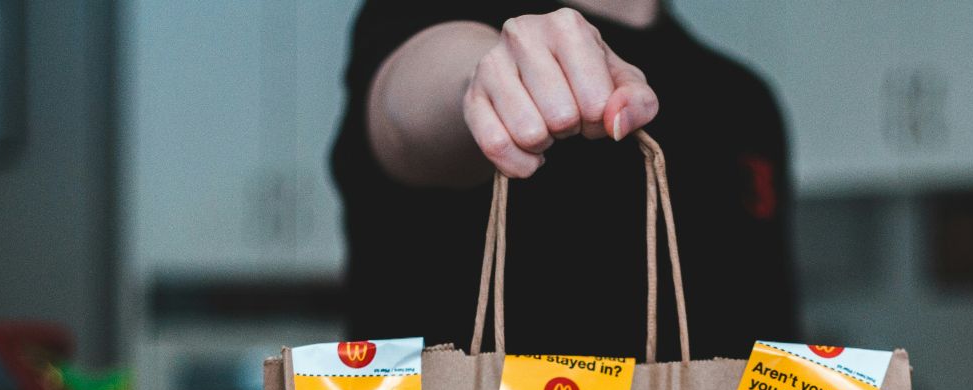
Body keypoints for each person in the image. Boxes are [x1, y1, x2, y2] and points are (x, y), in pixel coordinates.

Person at [336, 1, 800, 361]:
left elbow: (770, 345)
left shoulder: (743, 102)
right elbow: (408, 113)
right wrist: (486, 81)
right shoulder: (417, 18)